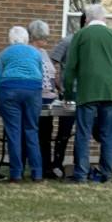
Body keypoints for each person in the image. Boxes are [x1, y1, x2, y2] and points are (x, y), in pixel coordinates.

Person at [61, 4, 112, 183]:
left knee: (83, 133)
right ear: (103, 18)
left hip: (87, 92)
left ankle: (81, 174)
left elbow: (70, 68)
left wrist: (67, 94)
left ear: (87, 19)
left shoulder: (81, 35)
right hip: (111, 91)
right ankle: (106, 173)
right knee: (108, 135)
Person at [0, 26, 45, 182]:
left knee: (14, 133)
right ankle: (37, 173)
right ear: (26, 39)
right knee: (31, 130)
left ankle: (16, 173)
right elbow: (41, 76)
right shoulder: (36, 53)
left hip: (9, 89)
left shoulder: (4, 54)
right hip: (33, 90)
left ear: (11, 40)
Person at [28, 18, 64, 177]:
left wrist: (60, 89)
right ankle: (39, 167)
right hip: (37, 98)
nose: (46, 40)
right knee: (38, 133)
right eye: (43, 37)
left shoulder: (44, 53)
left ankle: (46, 166)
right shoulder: (30, 51)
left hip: (49, 99)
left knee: (47, 133)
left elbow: (52, 74)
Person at [47, 26, 76, 178]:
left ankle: (79, 165)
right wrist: (56, 83)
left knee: (83, 131)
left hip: (87, 93)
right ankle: (57, 163)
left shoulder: (92, 43)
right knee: (64, 131)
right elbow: (50, 63)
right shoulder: (68, 41)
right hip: (69, 93)